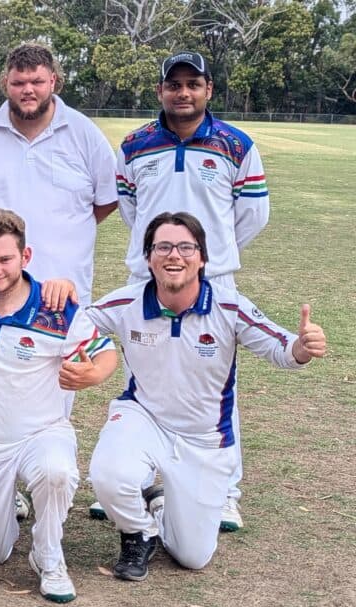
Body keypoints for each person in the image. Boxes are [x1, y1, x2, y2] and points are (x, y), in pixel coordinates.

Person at [86, 212, 326, 582]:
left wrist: (303, 348)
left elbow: (282, 349)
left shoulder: (229, 306)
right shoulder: (125, 303)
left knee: (192, 556)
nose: (174, 256)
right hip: (143, 418)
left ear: (202, 257)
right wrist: (56, 292)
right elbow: (75, 326)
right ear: (148, 257)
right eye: (162, 247)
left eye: (185, 247)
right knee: (108, 473)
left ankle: (162, 505)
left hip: (204, 437)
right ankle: (139, 532)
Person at [114, 51, 271, 531]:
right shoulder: (135, 144)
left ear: (209, 89)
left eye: (193, 84)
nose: (183, 92)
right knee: (142, 379)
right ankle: (139, 482)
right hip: (147, 277)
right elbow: (129, 207)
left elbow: (252, 216)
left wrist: (203, 258)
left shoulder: (235, 143)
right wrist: (162, 259)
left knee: (216, 387)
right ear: (160, 90)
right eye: (174, 84)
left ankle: (224, 492)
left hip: (212, 280)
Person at [0, 208, 116, 603]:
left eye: (5, 259)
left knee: (56, 472)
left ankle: (48, 553)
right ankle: (2, 507)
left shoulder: (57, 307)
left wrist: (92, 376)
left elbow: (105, 354)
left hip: (42, 433)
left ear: (26, 256)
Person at [0, 43, 118, 304]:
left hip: (65, 291)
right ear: (6, 82)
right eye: (18, 83)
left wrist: (68, 226)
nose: (28, 90)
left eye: (37, 81)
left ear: (53, 81)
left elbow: (108, 199)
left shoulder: (85, 134)